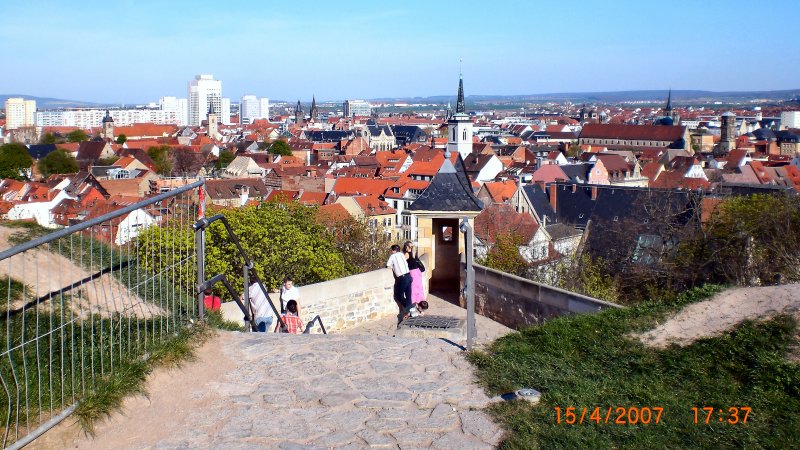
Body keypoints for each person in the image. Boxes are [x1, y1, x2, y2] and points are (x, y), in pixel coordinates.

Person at [386, 244, 412, 322]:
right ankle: (409, 311)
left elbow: (388, 265)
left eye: (391, 250)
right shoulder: (401, 254)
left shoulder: (393, 256)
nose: (391, 251)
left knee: (398, 295)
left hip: (402, 278)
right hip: (409, 276)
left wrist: (393, 267)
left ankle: (407, 309)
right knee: (408, 295)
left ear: (393, 250)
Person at [403, 241, 426, 315]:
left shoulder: (410, 254)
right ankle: (417, 310)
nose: (410, 248)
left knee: (415, 291)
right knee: (416, 291)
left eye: (411, 247)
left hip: (414, 274)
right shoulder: (410, 254)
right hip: (415, 274)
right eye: (410, 247)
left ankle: (417, 309)